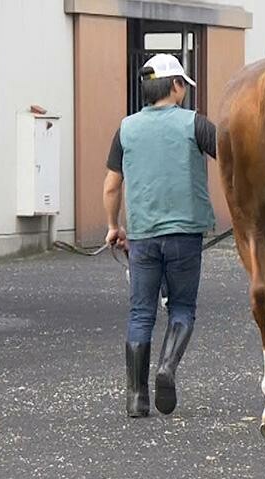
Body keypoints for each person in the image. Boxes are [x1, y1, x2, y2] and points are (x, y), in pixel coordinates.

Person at [103, 53, 217, 418]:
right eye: (184, 84)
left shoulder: (126, 128)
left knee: (140, 312)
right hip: (185, 234)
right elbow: (232, 160)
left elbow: (111, 186)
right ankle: (167, 367)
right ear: (176, 85)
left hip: (143, 236)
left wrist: (113, 227)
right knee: (182, 307)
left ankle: (136, 398)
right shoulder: (196, 124)